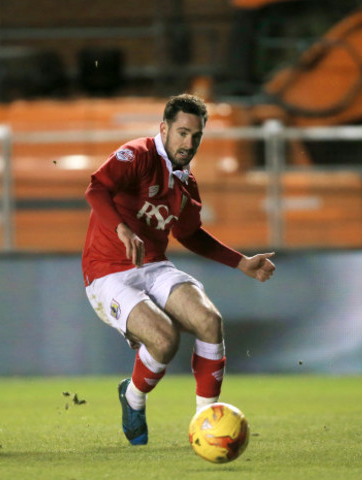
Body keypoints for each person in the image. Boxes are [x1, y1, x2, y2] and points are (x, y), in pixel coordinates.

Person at [81, 93, 275, 445]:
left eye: (196, 136)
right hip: (107, 272)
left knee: (209, 321)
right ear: (164, 128)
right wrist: (122, 228)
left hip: (154, 266)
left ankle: (207, 423)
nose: (189, 143)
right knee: (164, 339)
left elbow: (190, 235)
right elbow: (96, 189)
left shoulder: (187, 185)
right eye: (182, 133)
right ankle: (133, 397)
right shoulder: (137, 155)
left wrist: (240, 262)